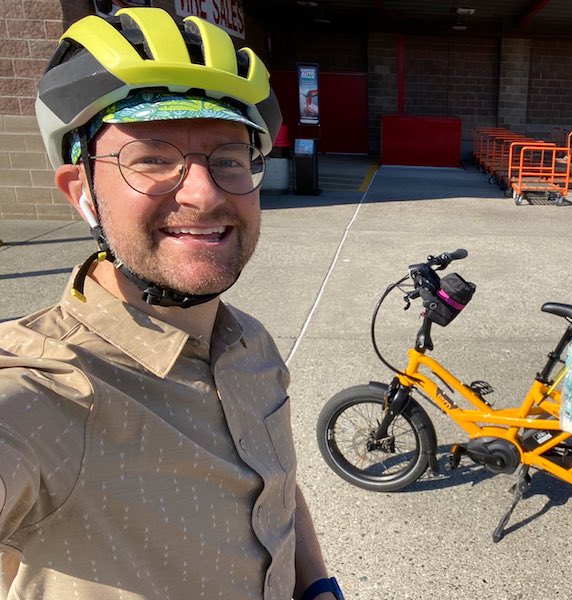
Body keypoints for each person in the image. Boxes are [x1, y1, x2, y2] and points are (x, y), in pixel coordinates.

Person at [0, 8, 343, 600]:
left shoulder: (250, 344)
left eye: (230, 158)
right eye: (152, 159)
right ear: (82, 194)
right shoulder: (44, 394)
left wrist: (316, 586)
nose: (206, 193)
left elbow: (277, 486)